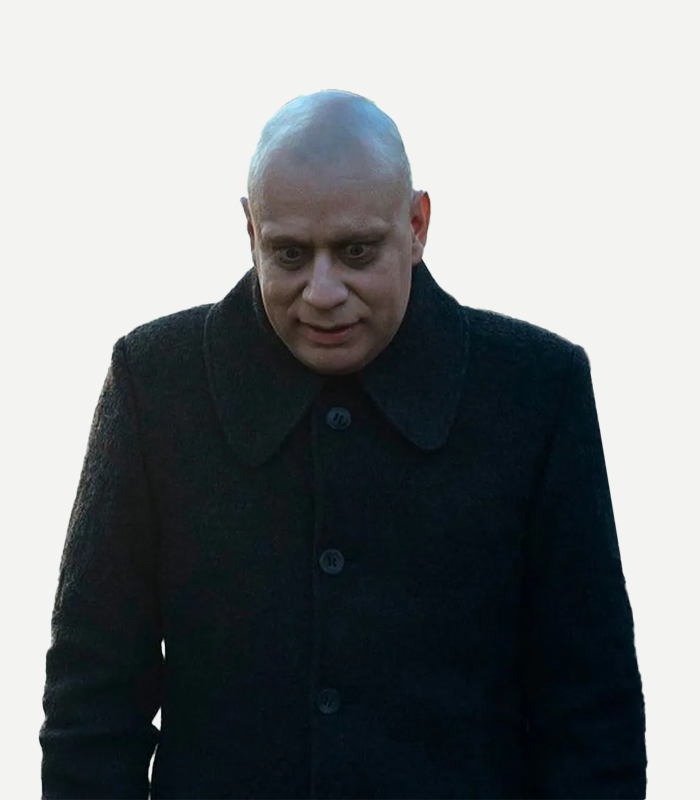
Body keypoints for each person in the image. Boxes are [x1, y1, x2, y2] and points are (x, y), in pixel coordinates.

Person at [39, 89, 647, 799]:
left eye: (356, 252)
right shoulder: (153, 384)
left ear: (417, 226)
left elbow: (590, 710)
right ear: (250, 231)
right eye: (290, 254)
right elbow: (93, 700)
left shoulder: (538, 391)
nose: (323, 291)